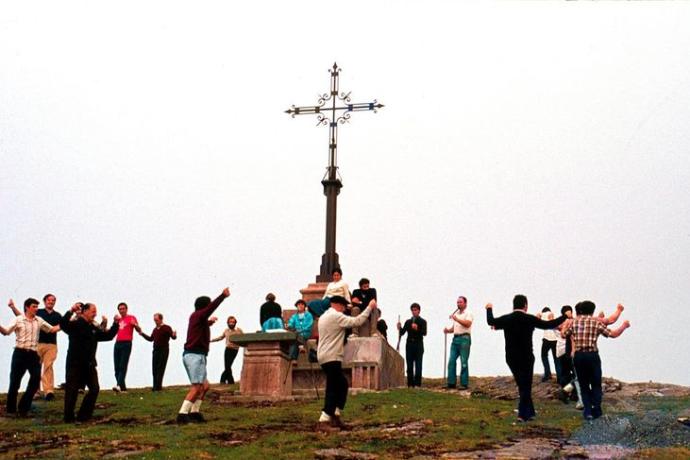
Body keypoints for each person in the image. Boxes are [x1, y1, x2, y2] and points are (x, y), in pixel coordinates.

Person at [485, 295, 566, 422]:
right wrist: (564, 316)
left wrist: (489, 309)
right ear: (525, 306)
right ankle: (522, 415)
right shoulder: (529, 318)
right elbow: (548, 325)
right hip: (526, 356)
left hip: (511, 357)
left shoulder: (507, 319)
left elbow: (491, 322)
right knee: (525, 385)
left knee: (522, 384)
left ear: (513, 306)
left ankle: (530, 412)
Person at [563, 300, 630, 420]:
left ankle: (588, 411)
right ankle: (597, 409)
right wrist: (624, 326)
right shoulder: (595, 322)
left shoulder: (574, 322)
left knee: (583, 385)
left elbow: (564, 334)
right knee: (596, 383)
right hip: (592, 355)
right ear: (592, 311)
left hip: (579, 356)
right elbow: (613, 334)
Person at [316, 295, 377, 429]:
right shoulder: (336, 316)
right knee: (334, 386)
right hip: (332, 356)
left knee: (341, 384)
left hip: (324, 355)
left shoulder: (324, 317)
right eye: (343, 307)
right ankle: (324, 418)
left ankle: (335, 414)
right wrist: (369, 307)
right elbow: (357, 321)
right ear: (338, 305)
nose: (344, 309)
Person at [177, 287, 230, 424]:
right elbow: (210, 309)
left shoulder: (197, 318)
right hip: (195, 355)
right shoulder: (199, 315)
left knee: (205, 386)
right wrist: (222, 296)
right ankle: (182, 414)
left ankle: (195, 412)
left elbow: (201, 324)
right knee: (197, 387)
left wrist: (209, 323)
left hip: (196, 355)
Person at [60, 302, 119, 423]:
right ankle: (69, 418)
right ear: (85, 311)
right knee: (72, 391)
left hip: (90, 364)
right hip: (74, 364)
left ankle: (83, 416)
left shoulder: (93, 328)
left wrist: (115, 324)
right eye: (93, 311)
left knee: (94, 389)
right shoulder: (75, 325)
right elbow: (63, 324)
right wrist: (71, 310)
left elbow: (107, 336)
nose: (95, 314)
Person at [1, 298, 60, 416]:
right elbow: (6, 332)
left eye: (37, 307)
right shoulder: (18, 320)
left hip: (33, 354)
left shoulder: (39, 320)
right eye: (34, 306)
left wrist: (69, 321)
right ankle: (11, 410)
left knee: (35, 379)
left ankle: (23, 408)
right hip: (20, 353)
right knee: (15, 382)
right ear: (27, 307)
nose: (36, 309)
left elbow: (52, 329)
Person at [9, 294, 62, 400]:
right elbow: (22, 317)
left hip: (51, 344)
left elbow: (58, 327)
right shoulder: (38, 312)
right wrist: (13, 308)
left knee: (48, 366)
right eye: (49, 300)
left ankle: (48, 392)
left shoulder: (57, 315)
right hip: (37, 344)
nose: (51, 302)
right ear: (45, 301)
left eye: (53, 300)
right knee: (35, 370)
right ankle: (36, 391)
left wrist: (70, 322)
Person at [136, 313, 177, 391]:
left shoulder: (167, 328)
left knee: (160, 368)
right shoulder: (155, 329)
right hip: (155, 350)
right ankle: (155, 386)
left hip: (164, 350)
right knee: (154, 369)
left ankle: (158, 387)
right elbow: (151, 339)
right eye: (154, 320)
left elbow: (173, 337)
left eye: (156, 320)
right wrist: (142, 334)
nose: (155, 322)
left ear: (161, 319)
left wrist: (174, 335)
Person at [443, 296, 473, 390]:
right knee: (451, 360)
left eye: (460, 302)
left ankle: (464, 384)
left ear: (465, 303)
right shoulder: (456, 314)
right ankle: (451, 382)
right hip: (455, 339)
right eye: (457, 302)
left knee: (464, 361)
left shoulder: (468, 313)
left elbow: (467, 324)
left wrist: (456, 319)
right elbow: (455, 328)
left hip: (465, 339)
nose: (458, 304)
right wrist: (448, 330)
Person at [397, 303, 427, 387]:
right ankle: (410, 384)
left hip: (418, 345)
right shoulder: (408, 321)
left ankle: (417, 384)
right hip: (409, 345)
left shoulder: (422, 321)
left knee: (418, 365)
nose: (414, 312)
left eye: (415, 310)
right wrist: (399, 328)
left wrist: (417, 329)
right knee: (409, 365)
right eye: (412, 310)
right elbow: (402, 333)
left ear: (419, 311)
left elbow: (424, 333)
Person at [112, 302, 139, 393]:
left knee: (122, 365)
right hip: (117, 343)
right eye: (120, 309)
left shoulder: (131, 318)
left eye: (123, 308)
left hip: (126, 343)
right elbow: (112, 330)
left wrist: (135, 325)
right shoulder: (118, 320)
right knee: (116, 367)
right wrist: (114, 322)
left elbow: (139, 330)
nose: (122, 310)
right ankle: (122, 388)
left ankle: (119, 385)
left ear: (126, 309)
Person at [211, 315, 244, 384]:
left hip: (235, 350)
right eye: (230, 322)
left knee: (228, 366)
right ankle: (229, 381)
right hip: (227, 349)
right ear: (228, 323)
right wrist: (211, 340)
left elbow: (244, 338)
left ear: (235, 323)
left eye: (233, 322)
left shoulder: (239, 330)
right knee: (227, 366)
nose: (231, 323)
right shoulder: (226, 330)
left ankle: (223, 380)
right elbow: (220, 337)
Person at [538, 307, 560, 382]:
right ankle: (559, 376)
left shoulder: (543, 315)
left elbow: (537, 317)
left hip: (546, 339)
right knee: (556, 358)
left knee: (544, 355)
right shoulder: (551, 314)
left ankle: (547, 373)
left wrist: (541, 314)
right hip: (555, 339)